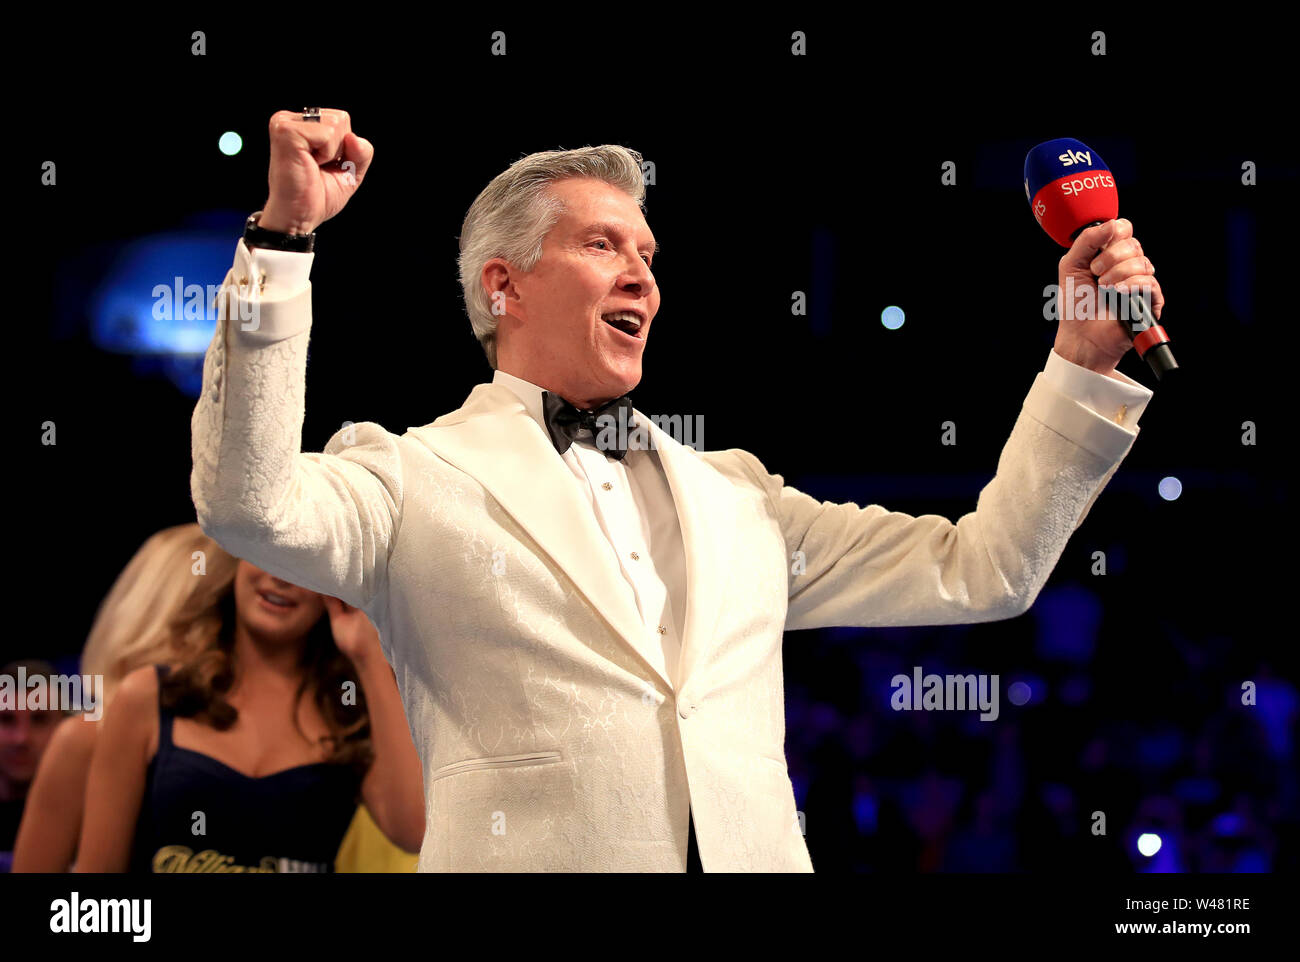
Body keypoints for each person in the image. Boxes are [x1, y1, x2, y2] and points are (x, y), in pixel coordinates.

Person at [190, 109, 1162, 871]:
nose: (643, 279)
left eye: (648, 256)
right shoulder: (409, 476)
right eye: (603, 246)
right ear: (503, 288)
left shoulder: (735, 494)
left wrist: (1081, 361)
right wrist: (284, 240)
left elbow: (984, 569)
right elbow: (248, 503)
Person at [14, 523, 418, 872]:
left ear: (335, 588)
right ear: (236, 558)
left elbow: (412, 829)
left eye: (306, 566)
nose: (282, 578)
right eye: (269, 552)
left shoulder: (346, 716)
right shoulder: (149, 697)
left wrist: (368, 653)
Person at [0, 659, 66, 871]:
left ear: (65, 727)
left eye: (39, 719)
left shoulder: (91, 826)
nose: (21, 739)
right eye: (7, 719)